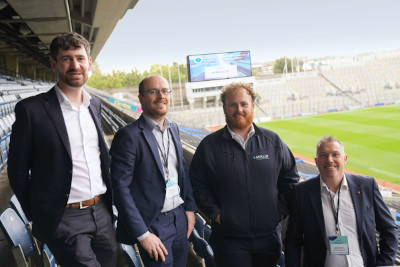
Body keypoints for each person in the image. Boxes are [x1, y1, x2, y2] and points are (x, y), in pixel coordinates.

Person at [7, 32, 117, 266]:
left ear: (89, 64)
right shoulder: (31, 110)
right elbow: (17, 172)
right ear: (54, 64)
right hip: (64, 218)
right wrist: (41, 214)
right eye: (67, 59)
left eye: (80, 58)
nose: (75, 65)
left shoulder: (93, 105)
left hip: (101, 212)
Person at [189, 82, 300, 267]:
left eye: (244, 104)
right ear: (224, 108)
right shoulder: (209, 146)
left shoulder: (272, 141)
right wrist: (217, 214)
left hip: (268, 239)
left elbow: (290, 179)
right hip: (229, 241)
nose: (238, 109)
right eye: (232, 104)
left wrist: (279, 212)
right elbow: (197, 185)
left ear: (253, 107)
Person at [110, 75, 196, 267]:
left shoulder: (173, 127)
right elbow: (120, 189)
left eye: (165, 91)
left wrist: (189, 209)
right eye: (153, 91)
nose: (161, 96)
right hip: (153, 224)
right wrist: (143, 234)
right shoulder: (128, 136)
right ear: (141, 98)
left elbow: (180, 169)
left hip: (179, 217)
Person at [284, 136, 398, 267]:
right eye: (323, 155)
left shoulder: (367, 186)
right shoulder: (301, 193)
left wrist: (384, 264)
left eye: (335, 154)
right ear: (316, 161)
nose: (329, 160)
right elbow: (293, 241)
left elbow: (389, 228)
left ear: (345, 159)